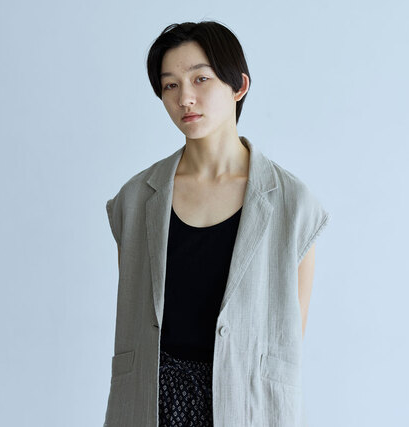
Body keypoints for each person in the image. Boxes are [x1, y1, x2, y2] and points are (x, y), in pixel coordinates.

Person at [103, 21, 331, 427]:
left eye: (200, 79)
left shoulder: (292, 204)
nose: (185, 98)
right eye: (170, 85)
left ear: (239, 86)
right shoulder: (135, 200)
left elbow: (286, 341)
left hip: (247, 405)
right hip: (150, 404)